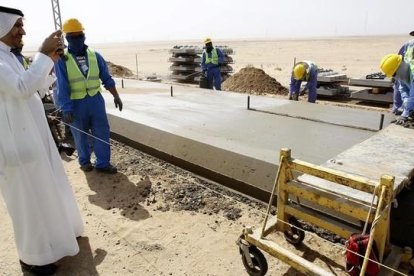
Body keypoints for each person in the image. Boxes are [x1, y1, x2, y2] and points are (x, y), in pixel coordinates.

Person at [0, 5, 84, 275]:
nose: (21, 30)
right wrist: (41, 54)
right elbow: (22, 87)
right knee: (27, 204)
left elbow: (33, 86)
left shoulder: (9, 57)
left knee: (48, 193)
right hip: (16, 146)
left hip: (33, 138)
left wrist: (50, 62)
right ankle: (33, 257)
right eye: (17, 25)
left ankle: (58, 241)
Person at [55, 18, 123, 174]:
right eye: (73, 36)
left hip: (95, 101)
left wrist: (116, 96)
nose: (77, 39)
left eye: (80, 35)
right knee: (80, 134)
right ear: (67, 38)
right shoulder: (62, 59)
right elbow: (62, 85)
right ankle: (85, 161)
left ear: (84, 35)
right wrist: (66, 107)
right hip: (75, 103)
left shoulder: (95, 55)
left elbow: (106, 78)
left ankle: (103, 163)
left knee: (102, 132)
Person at [380, 53, 414, 126]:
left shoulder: (412, 72)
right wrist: (405, 106)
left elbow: (413, 96)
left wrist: (405, 114)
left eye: (394, 74)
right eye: (393, 76)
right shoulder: (403, 74)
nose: (395, 77)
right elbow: (404, 90)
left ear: (400, 66)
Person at [391, 34, 414, 115]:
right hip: (405, 70)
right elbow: (403, 88)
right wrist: (406, 102)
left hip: (407, 71)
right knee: (400, 84)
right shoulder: (408, 45)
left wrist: (406, 114)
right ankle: (398, 109)